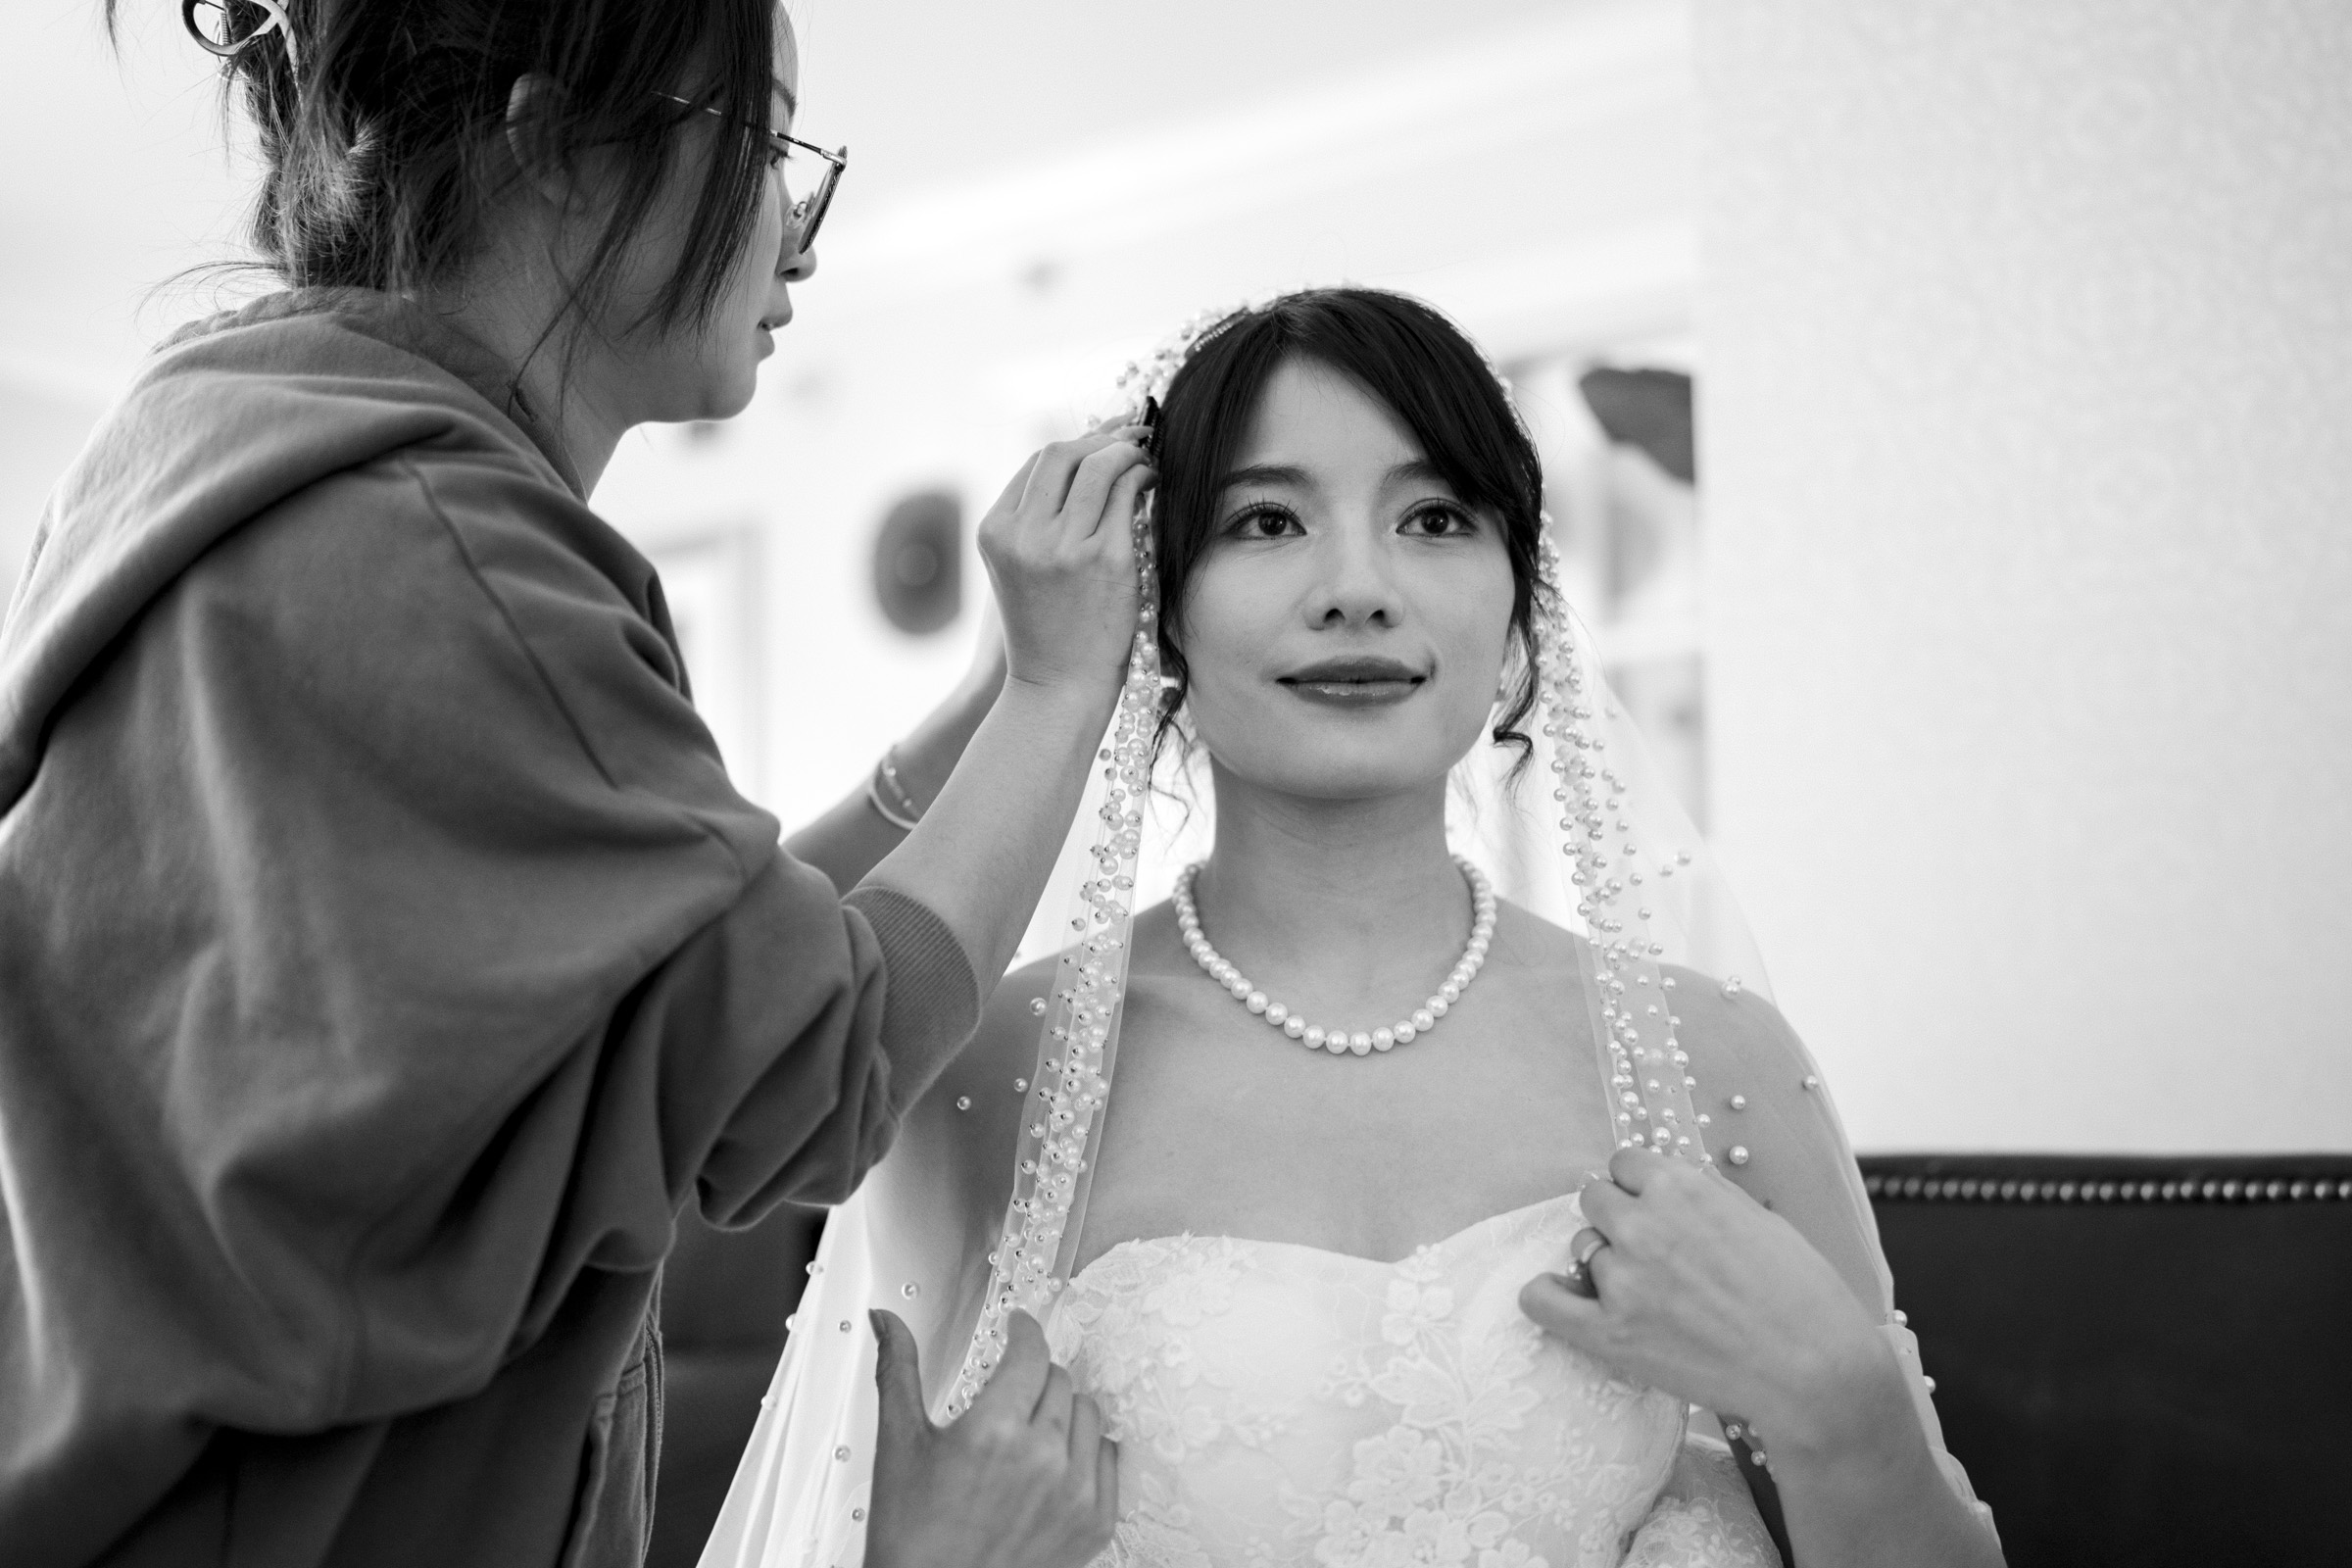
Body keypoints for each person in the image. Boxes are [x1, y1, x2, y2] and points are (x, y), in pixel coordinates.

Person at [0, 3, 1136, 1565]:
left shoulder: (231, 469)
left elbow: (673, 992)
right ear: (553, 150)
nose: (797, 243)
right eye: (767, 146)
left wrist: (996, 691)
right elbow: (812, 1080)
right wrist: (1069, 691)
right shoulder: (443, 548)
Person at [707, 289, 2007, 1568]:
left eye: (1434, 517)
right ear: (1153, 610)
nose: (1357, 588)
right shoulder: (988, 1072)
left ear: (1518, 609)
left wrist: (1838, 1401)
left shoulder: (1708, 1059)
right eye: (1267, 521)